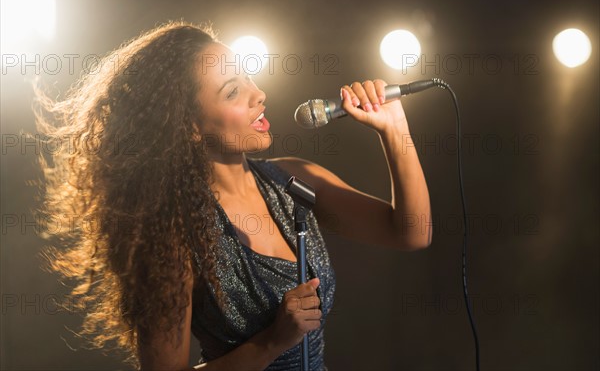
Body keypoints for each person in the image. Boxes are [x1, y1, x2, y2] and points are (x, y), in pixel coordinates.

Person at [36, 21, 432, 371]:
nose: (258, 95)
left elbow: (411, 233)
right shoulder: (174, 238)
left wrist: (395, 130)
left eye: (249, 78)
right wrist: (272, 342)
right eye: (232, 92)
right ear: (188, 127)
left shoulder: (293, 179)